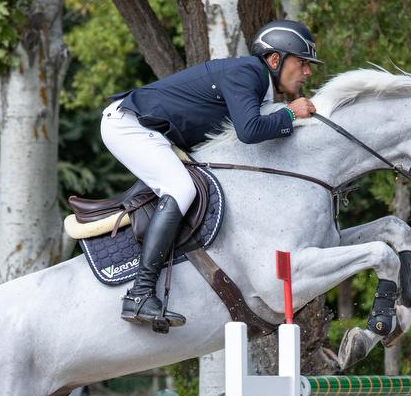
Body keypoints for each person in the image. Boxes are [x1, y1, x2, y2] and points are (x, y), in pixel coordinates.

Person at [102, 19, 321, 329]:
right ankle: (139, 293)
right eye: (302, 62)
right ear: (275, 60)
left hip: (157, 134)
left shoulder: (261, 89)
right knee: (180, 188)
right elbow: (250, 131)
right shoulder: (247, 72)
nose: (308, 72)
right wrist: (291, 113)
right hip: (127, 125)